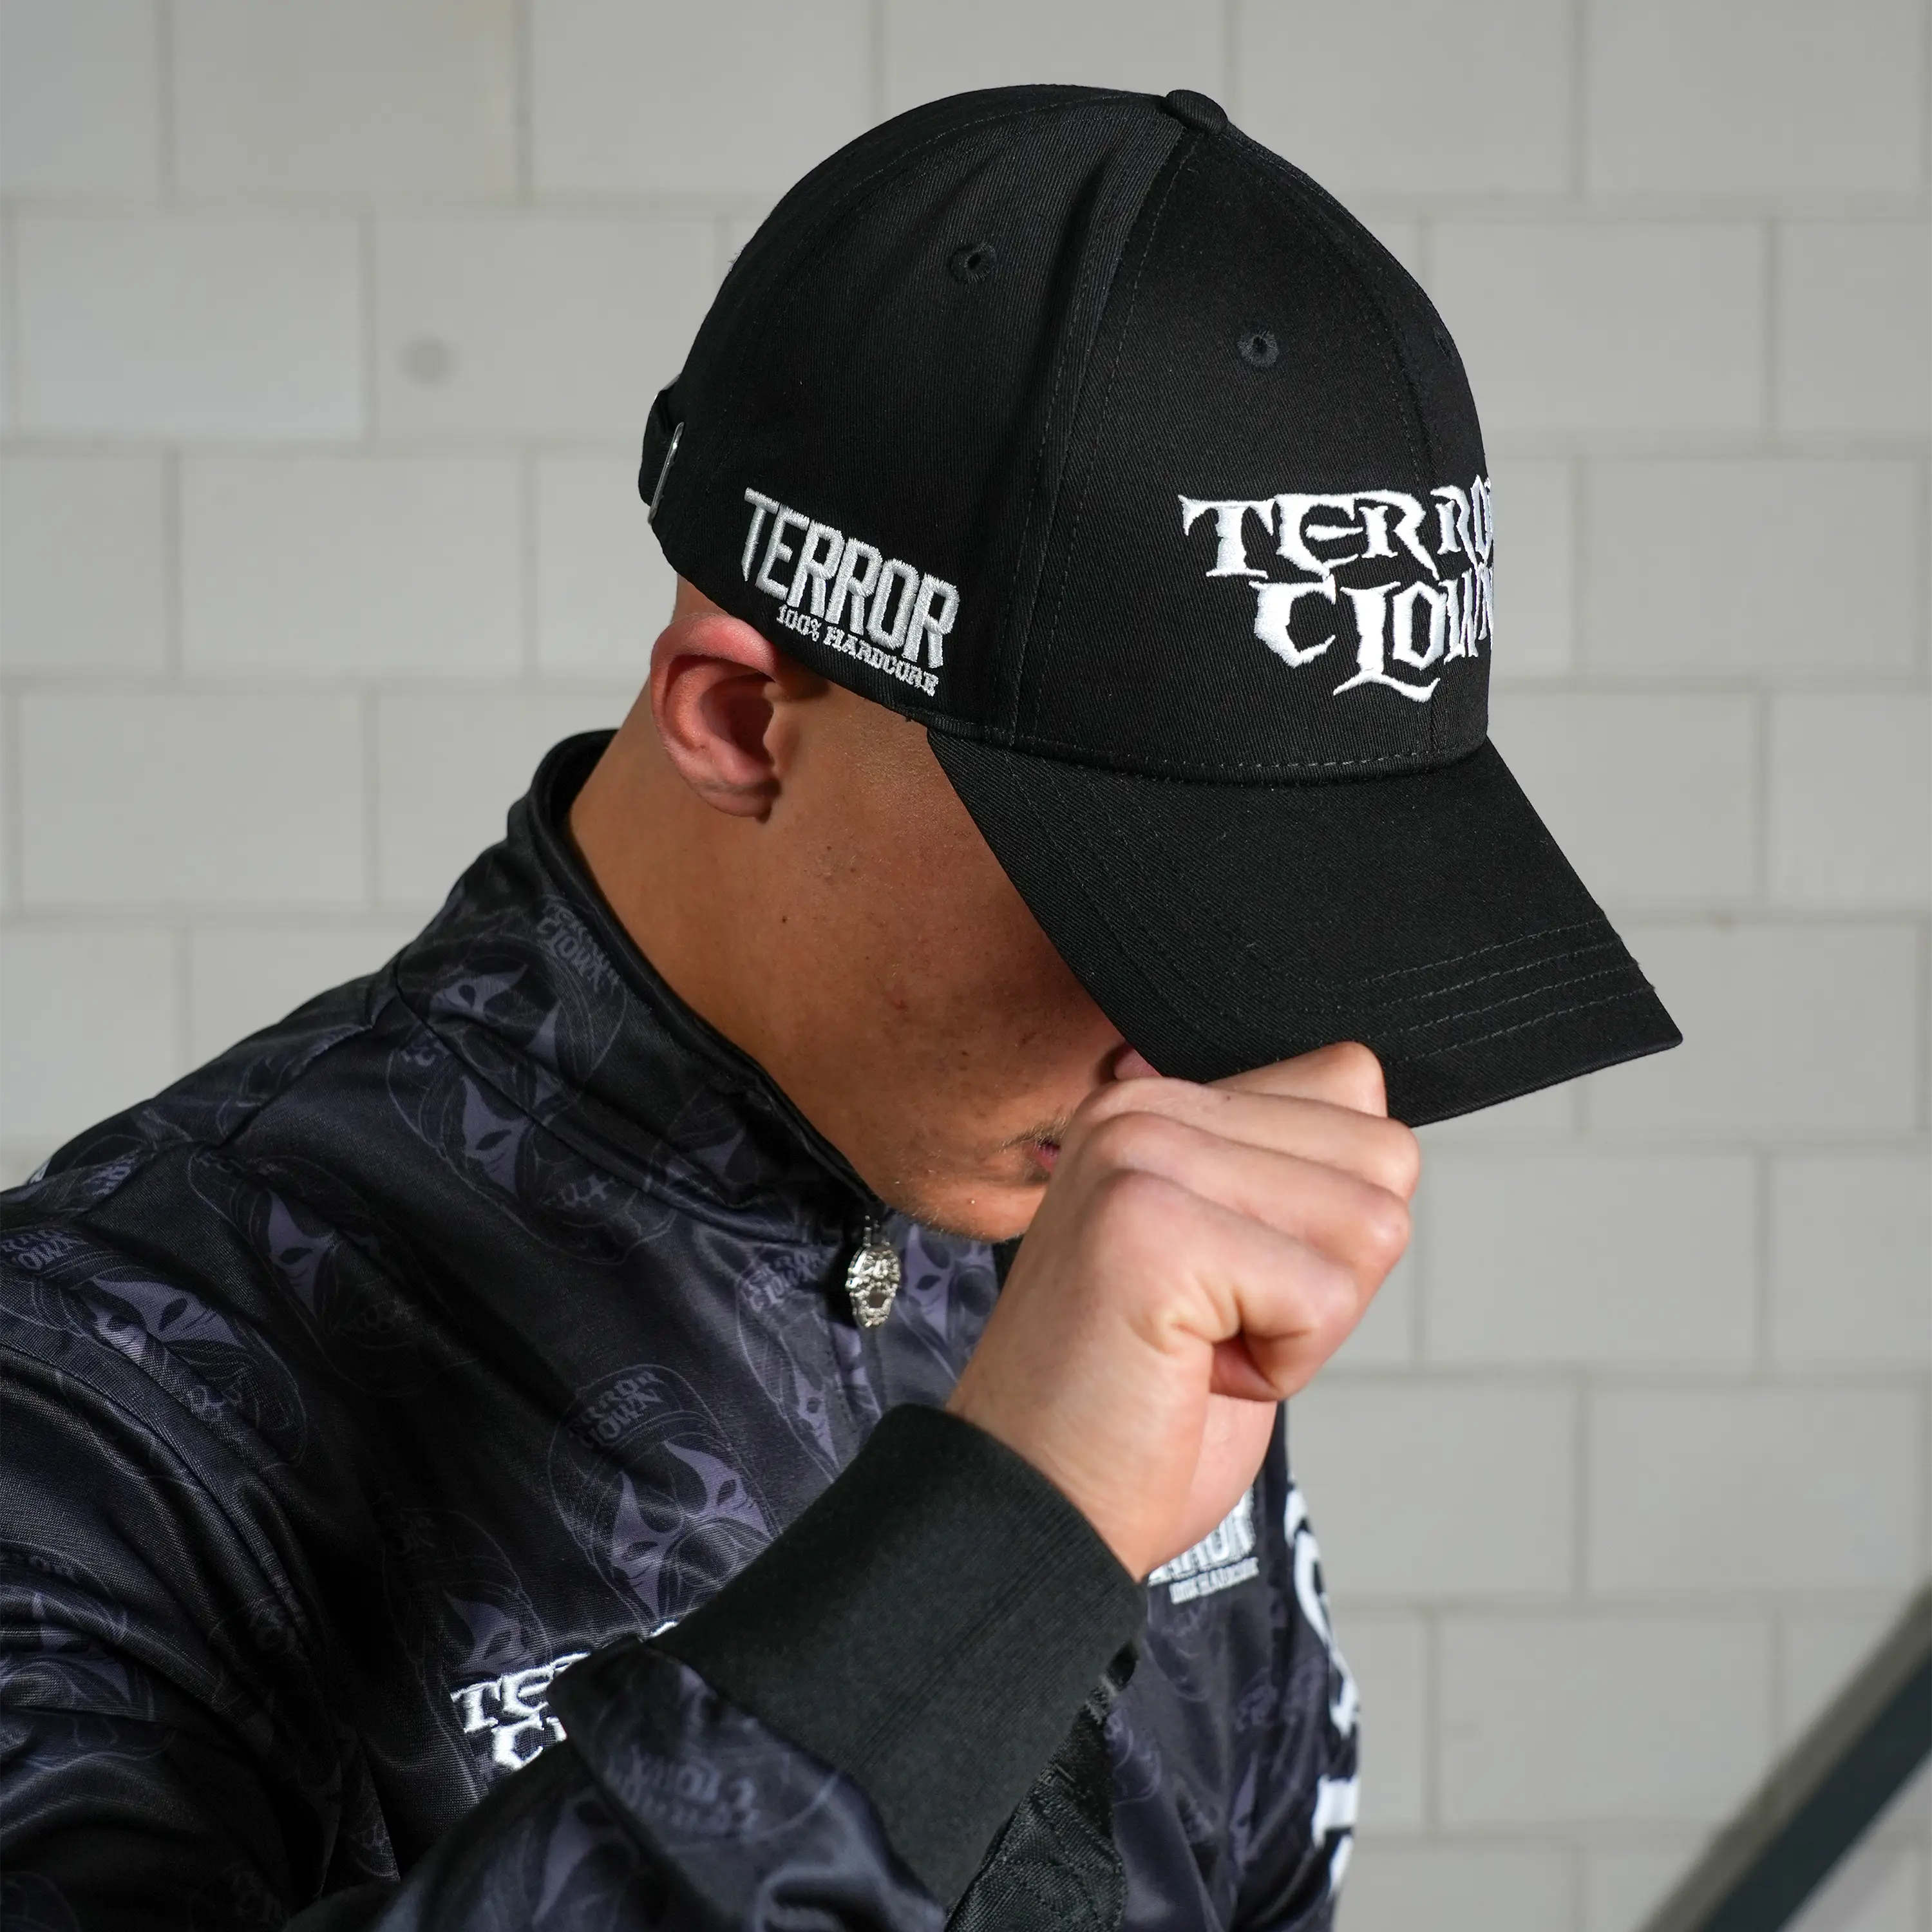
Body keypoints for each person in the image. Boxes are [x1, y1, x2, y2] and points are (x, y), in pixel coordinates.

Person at [0, 84, 1677, 1932]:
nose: (1210, 1037)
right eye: (1131, 891)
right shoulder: (97, 1385)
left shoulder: (1087, 1184)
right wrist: (1001, 1547)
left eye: (1285, 906)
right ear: (738, 718)